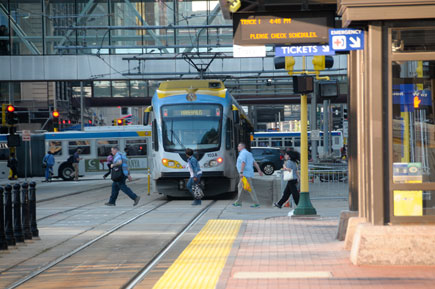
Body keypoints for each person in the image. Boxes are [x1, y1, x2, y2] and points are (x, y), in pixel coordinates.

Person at [233, 142, 263, 208]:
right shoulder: (249, 153)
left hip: (245, 174)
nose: (237, 148)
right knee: (242, 187)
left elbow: (243, 162)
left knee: (247, 188)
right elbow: (254, 162)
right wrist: (259, 170)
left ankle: (255, 203)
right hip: (247, 174)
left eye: (238, 146)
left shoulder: (243, 154)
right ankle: (239, 202)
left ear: (242, 147)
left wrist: (241, 172)